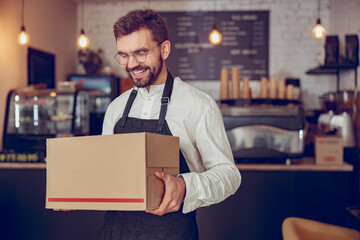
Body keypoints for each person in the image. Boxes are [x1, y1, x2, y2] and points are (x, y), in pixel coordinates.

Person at [99, 9, 241, 240]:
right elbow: (108, 172)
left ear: (164, 49)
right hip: (115, 232)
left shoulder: (198, 105)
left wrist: (185, 186)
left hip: (170, 233)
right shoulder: (116, 108)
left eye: (141, 53)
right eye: (123, 55)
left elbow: (229, 175)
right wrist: (76, 190)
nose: (131, 64)